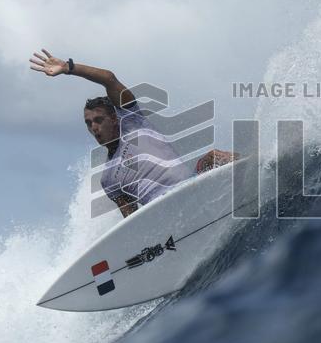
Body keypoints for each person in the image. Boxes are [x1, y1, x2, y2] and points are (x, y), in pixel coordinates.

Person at [30, 48, 235, 218]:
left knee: (212, 157)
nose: (94, 127)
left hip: (192, 186)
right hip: (164, 214)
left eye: (98, 120)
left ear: (115, 118)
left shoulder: (133, 121)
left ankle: (260, 169)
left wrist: (68, 68)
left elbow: (109, 79)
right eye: (88, 123)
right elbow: (131, 223)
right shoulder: (108, 179)